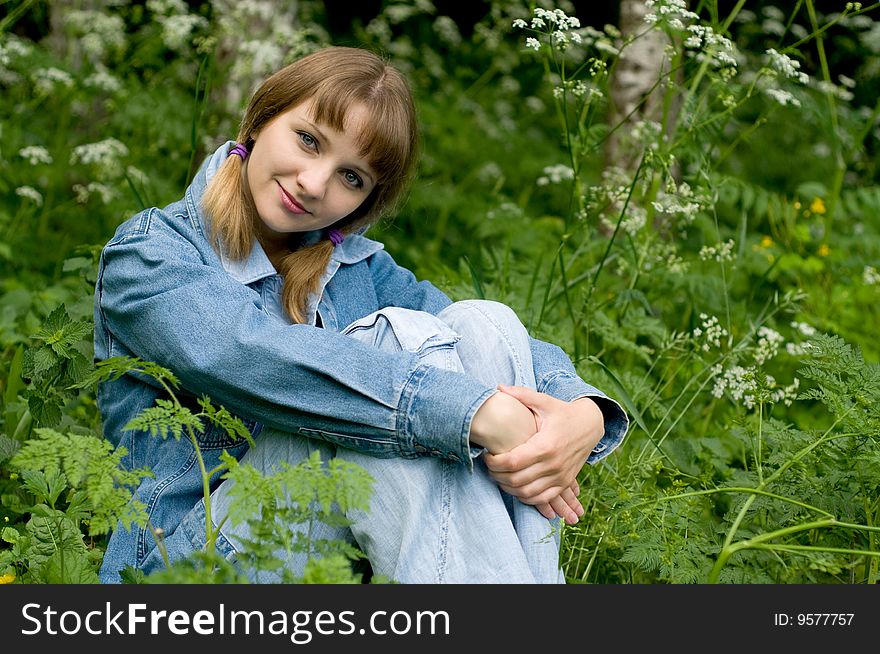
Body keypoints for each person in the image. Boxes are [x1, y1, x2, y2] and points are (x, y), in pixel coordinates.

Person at [93, 46, 629, 584]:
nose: (313, 182)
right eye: (308, 140)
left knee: (482, 324)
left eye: (351, 177)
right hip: (186, 562)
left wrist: (581, 413)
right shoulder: (153, 254)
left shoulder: (357, 270)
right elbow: (255, 356)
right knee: (391, 395)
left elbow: (475, 344)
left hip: (324, 555)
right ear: (259, 119)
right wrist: (476, 415)